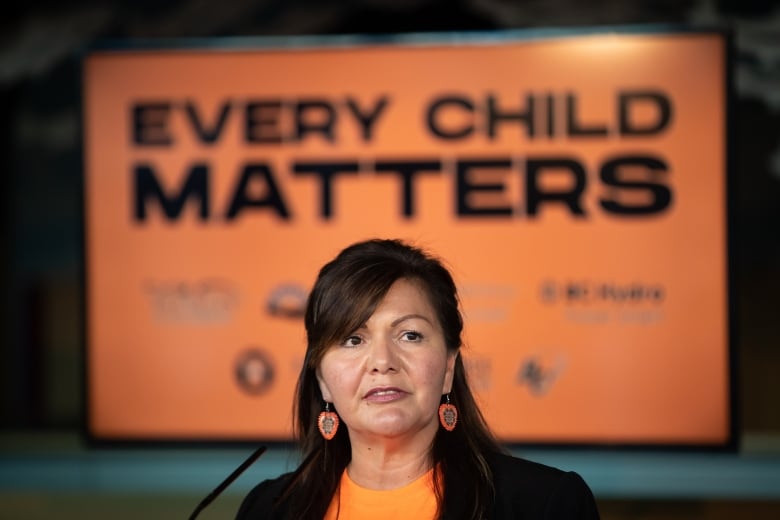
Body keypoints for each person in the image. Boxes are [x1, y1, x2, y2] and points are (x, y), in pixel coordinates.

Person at [236, 238, 600, 519]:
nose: (382, 361)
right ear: (323, 380)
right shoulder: (269, 509)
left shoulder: (543, 504)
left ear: (447, 368)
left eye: (409, 335)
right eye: (353, 339)